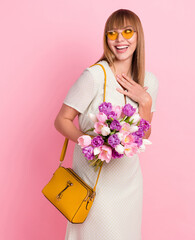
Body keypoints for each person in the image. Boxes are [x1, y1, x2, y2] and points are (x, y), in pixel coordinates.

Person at [54, 9, 159, 240]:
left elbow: (144, 133)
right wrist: (90, 141)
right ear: (106, 39)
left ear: (138, 36)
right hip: (94, 181)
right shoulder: (94, 76)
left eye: (127, 31)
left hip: (129, 182)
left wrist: (145, 101)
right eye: (113, 34)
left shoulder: (149, 81)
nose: (120, 39)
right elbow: (61, 120)